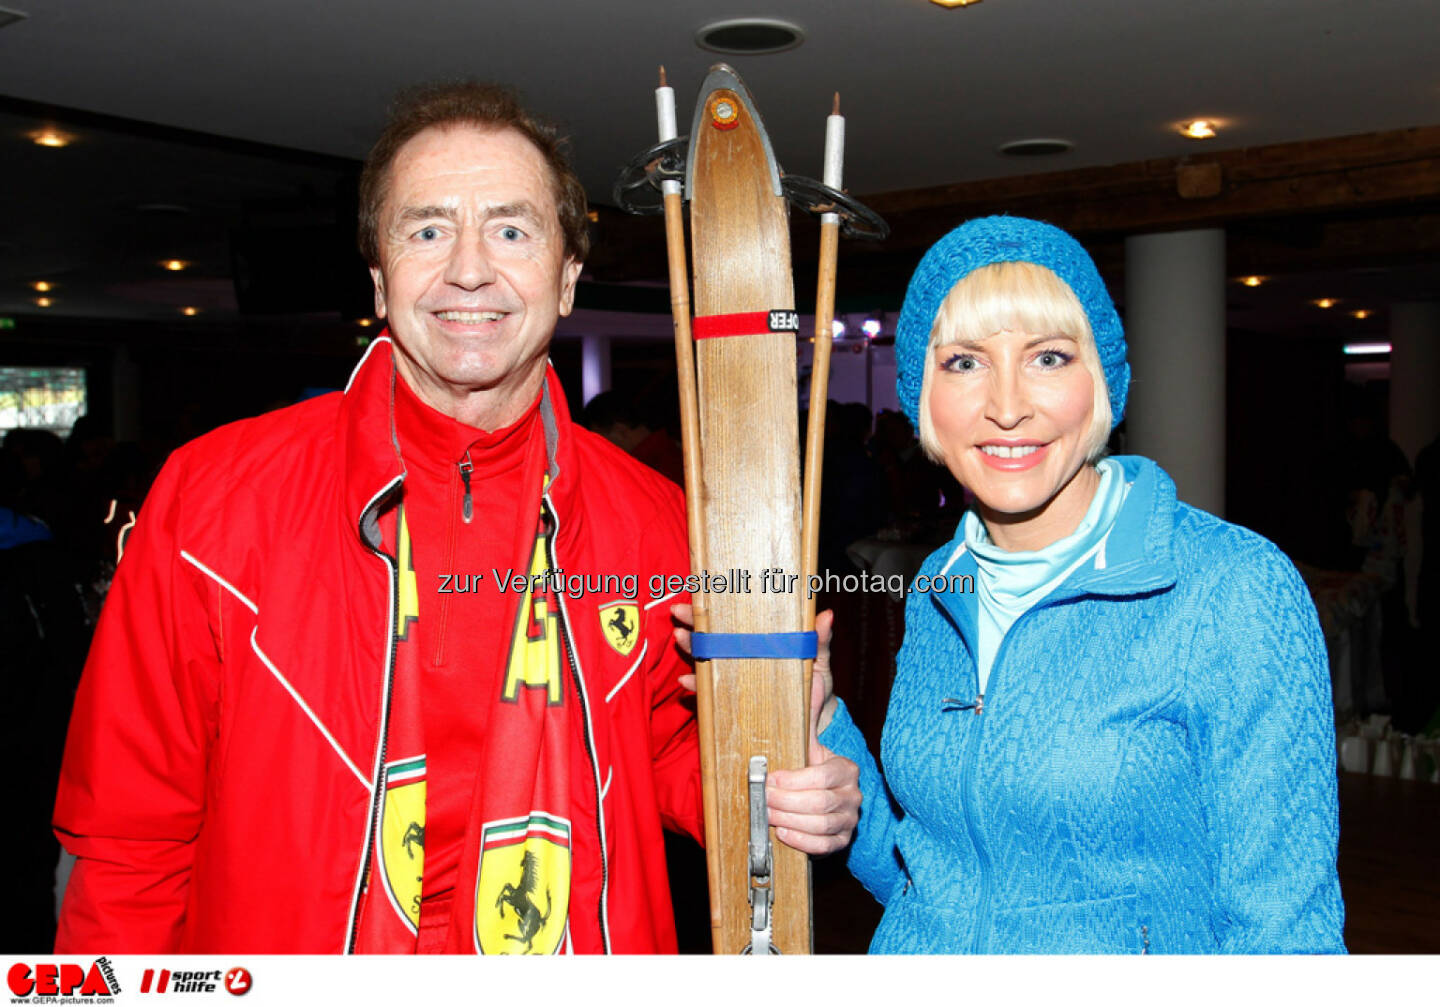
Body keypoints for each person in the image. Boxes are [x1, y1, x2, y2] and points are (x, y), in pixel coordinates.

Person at [52, 82, 857, 954]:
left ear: (567, 279)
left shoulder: (658, 520)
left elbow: (663, 752)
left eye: (512, 230)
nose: (468, 268)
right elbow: (128, 842)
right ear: (378, 276)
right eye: (428, 229)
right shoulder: (212, 500)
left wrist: (774, 768)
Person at [812, 216, 1345, 953]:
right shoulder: (941, 583)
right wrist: (825, 721)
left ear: (1104, 379)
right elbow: (933, 878)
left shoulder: (1232, 589)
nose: (1006, 404)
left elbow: (1290, 937)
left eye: (1049, 357)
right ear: (919, 393)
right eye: (964, 362)